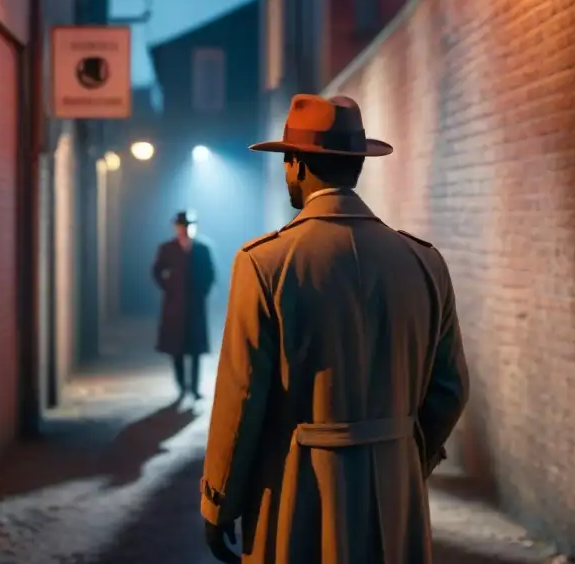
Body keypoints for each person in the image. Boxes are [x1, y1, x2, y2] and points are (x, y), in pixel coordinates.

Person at [199, 94, 470, 564]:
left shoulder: (264, 263)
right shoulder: (424, 261)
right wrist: (402, 456)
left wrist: (219, 502)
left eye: (287, 159)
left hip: (295, 490)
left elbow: (243, 398)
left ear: (298, 165)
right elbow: (451, 388)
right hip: (395, 487)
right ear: (357, 165)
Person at [152, 210, 216, 401]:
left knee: (195, 349)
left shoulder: (202, 248)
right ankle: (181, 387)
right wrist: (168, 287)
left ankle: (194, 388)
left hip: (195, 306)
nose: (185, 230)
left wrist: (201, 292)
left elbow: (210, 274)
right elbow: (156, 271)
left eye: (188, 226)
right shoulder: (167, 248)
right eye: (182, 226)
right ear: (176, 227)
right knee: (176, 349)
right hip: (174, 306)